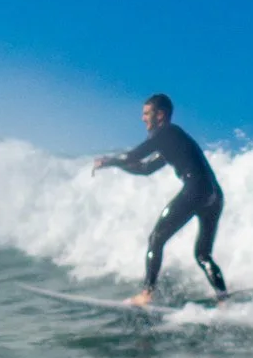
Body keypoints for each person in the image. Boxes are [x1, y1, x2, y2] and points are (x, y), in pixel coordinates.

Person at [93, 93, 227, 306]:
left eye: (147, 113)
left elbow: (132, 157)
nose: (142, 118)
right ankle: (223, 299)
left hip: (196, 190)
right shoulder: (173, 140)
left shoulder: (164, 132)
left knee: (156, 238)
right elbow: (146, 168)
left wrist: (109, 161)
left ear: (160, 115)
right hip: (214, 195)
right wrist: (118, 165)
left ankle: (147, 293)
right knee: (202, 254)